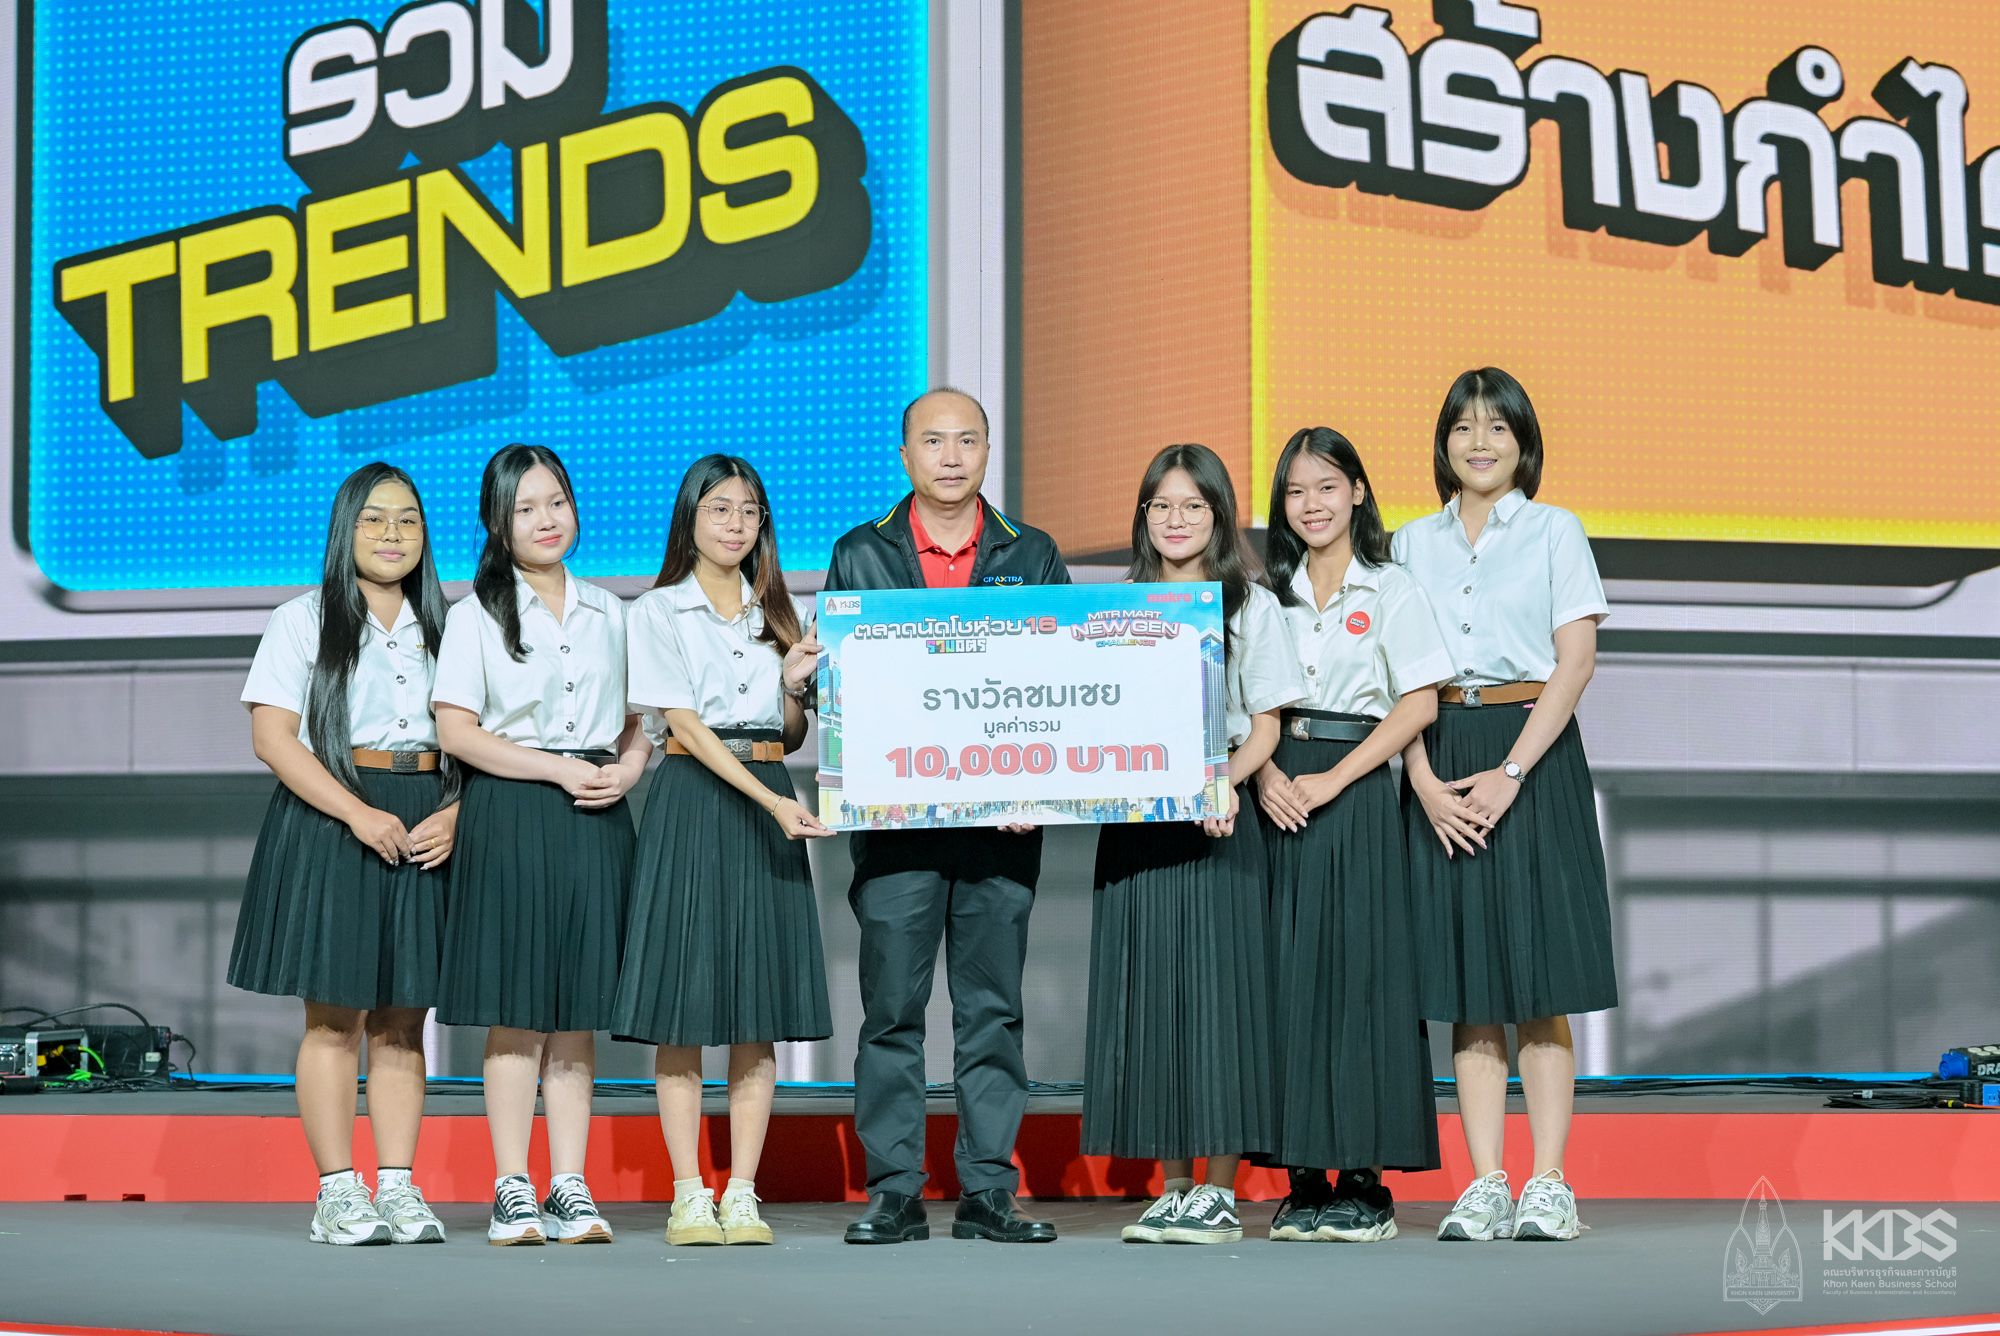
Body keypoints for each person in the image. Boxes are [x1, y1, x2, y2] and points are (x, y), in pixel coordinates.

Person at [824, 387, 1071, 1245]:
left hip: (1003, 829)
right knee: (892, 1011)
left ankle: (988, 1190)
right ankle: (895, 1189)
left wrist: (1038, 788)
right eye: (934, 441)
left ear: (988, 451)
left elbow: (1061, 688)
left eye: (968, 440)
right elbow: (843, 692)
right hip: (897, 832)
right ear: (906, 455)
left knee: (991, 1010)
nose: (952, 456)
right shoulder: (860, 552)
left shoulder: (1031, 552)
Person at [1394, 368, 1615, 1243]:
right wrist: (1420, 777)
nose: (1479, 442)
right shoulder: (1410, 543)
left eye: (1497, 426)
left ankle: (1549, 1182)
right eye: (1463, 427)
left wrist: (1513, 772)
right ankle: (1485, 1182)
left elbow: (1575, 662)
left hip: (1533, 752)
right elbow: (1397, 674)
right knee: (1469, 983)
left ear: (1524, 442)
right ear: (1443, 443)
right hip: (1441, 753)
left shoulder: (1556, 530)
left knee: (1539, 980)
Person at [231, 461, 458, 1246]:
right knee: (334, 1021)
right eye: (375, 519)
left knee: (403, 1020)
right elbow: (272, 738)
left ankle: (396, 1187)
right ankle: (337, 1192)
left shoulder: (454, 625)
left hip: (428, 816)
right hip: (335, 813)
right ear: (344, 530)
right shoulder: (302, 619)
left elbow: (481, 736)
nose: (393, 534)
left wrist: (458, 811)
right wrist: (358, 812)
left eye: (408, 519)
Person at [432, 444, 652, 1246]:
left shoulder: (611, 612)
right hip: (512, 810)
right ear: (498, 523)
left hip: (597, 812)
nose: (546, 519)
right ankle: (511, 1186)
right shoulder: (474, 615)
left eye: (556, 501)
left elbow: (642, 722)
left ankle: (569, 1183)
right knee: (517, 1007)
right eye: (525, 508)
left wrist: (629, 771)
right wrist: (557, 769)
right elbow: (457, 732)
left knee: (577, 1010)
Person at [612, 454, 834, 1247]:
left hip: (768, 787)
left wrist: (795, 684)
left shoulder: (780, 610)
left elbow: (789, 735)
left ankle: (742, 1191)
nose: (736, 524)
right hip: (696, 797)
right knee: (683, 1009)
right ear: (691, 518)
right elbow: (686, 727)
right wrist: (773, 802)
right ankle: (687, 1192)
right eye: (720, 509)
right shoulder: (657, 610)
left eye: (749, 511)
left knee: (755, 1010)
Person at [1084, 444, 1302, 1246]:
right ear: (1143, 515)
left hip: (1217, 827)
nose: (1175, 520)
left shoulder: (1252, 605)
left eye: (1193, 506)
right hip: (1135, 829)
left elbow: (1267, 724)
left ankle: (1219, 1191)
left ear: (1219, 515)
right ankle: (1175, 1186)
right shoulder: (1114, 608)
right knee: (1151, 1004)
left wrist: (1221, 785)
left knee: (1219, 1007)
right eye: (1161, 506)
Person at [1257, 427, 1451, 1243]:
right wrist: (1265, 775)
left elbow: (1420, 703)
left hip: (1359, 788)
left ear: (1359, 492)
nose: (1312, 505)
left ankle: (1364, 1182)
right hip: (1277, 790)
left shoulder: (1392, 586)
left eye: (1328, 487)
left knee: (1365, 980)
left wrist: (1336, 779)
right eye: (1297, 491)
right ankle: (1302, 1177)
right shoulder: (1266, 594)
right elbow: (1244, 703)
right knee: (1286, 982)